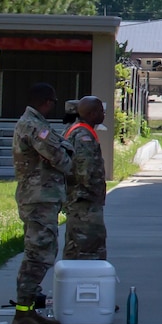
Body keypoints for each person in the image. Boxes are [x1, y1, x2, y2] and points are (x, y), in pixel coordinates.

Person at [9, 82, 73, 324]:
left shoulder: (34, 122)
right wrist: (71, 159)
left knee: (41, 252)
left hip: (41, 197)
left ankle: (29, 312)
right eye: (53, 102)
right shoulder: (34, 125)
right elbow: (59, 158)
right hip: (38, 198)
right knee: (38, 256)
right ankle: (22, 315)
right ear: (46, 101)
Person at [63, 96, 108, 261]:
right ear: (92, 113)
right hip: (85, 203)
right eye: (101, 111)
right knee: (90, 248)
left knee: (74, 246)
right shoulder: (84, 135)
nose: (104, 114)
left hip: (78, 200)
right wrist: (93, 191)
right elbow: (85, 170)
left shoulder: (76, 129)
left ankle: (70, 283)